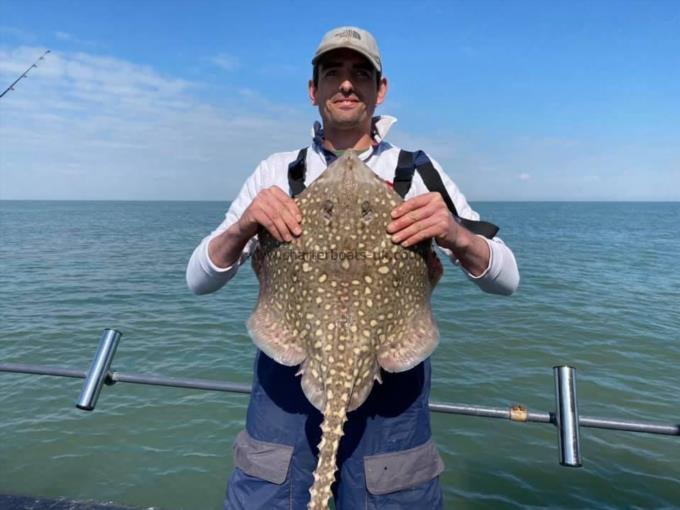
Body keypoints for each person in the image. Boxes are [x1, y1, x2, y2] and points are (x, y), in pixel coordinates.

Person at [187, 26, 519, 510]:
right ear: (313, 89)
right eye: (333, 74)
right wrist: (243, 226)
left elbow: (508, 279)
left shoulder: (420, 173)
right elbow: (198, 279)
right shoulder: (276, 171)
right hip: (285, 391)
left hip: (392, 407)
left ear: (380, 89)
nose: (346, 84)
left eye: (360, 74)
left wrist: (457, 234)